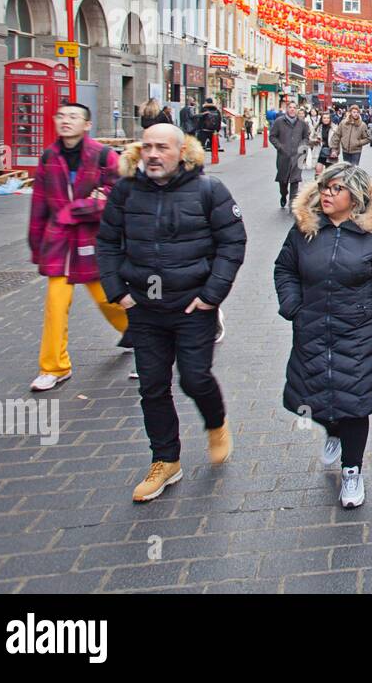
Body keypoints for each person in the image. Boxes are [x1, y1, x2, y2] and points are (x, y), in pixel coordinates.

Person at [97, 124, 247, 502]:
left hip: (192, 304)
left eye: (161, 147)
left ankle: (216, 422)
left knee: (194, 378)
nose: (152, 154)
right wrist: (118, 292)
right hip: (144, 307)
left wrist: (212, 295)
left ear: (181, 152)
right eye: (146, 146)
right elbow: (107, 242)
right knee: (151, 385)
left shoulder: (209, 190)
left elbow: (232, 242)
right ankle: (165, 460)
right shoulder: (125, 191)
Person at [274, 163, 372, 509]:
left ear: (356, 196)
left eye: (336, 189)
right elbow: (284, 269)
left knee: (353, 405)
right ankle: (330, 430)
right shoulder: (304, 230)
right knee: (317, 399)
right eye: (324, 187)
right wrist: (293, 305)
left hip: (360, 335)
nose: (327, 194)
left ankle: (352, 471)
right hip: (313, 330)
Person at [27, 103, 131, 392]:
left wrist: (84, 207)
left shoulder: (103, 155)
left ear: (86, 124)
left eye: (73, 117)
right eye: (61, 116)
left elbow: (120, 193)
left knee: (109, 301)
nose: (66, 121)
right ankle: (54, 367)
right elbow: (39, 203)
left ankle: (140, 337)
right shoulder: (49, 156)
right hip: (59, 243)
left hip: (92, 241)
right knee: (55, 306)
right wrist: (37, 245)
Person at [272, 100, 310, 209]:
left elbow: (306, 137)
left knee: (295, 179)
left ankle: (292, 204)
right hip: (283, 155)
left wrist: (302, 146)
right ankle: (283, 195)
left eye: (294, 107)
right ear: (287, 109)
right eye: (290, 107)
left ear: (297, 110)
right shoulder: (279, 122)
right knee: (283, 180)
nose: (292, 109)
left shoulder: (302, 123)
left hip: (298, 155)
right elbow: (272, 136)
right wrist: (280, 146)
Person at [312, 110, 336, 178]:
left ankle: (327, 187)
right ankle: (317, 186)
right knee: (318, 172)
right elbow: (311, 138)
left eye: (328, 118)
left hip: (330, 152)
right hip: (319, 151)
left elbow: (337, 141)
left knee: (330, 174)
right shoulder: (317, 127)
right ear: (321, 119)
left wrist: (335, 151)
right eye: (324, 118)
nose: (326, 119)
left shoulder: (334, 128)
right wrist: (315, 140)